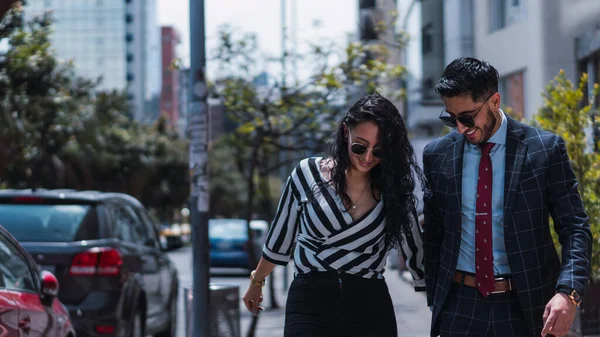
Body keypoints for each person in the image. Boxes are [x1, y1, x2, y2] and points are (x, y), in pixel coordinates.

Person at [422, 57, 592, 337]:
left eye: (467, 117)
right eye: (450, 119)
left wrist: (568, 293)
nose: (461, 128)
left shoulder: (544, 150)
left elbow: (574, 227)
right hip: (459, 305)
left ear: (495, 101)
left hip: (528, 305)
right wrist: (436, 298)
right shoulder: (437, 155)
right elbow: (434, 234)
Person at [242, 93, 426, 337]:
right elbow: (279, 239)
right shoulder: (306, 174)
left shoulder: (395, 191)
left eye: (378, 150)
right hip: (309, 303)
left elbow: (416, 251)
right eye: (359, 146)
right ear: (344, 133)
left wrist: (439, 300)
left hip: (370, 307)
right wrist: (257, 282)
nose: (368, 157)